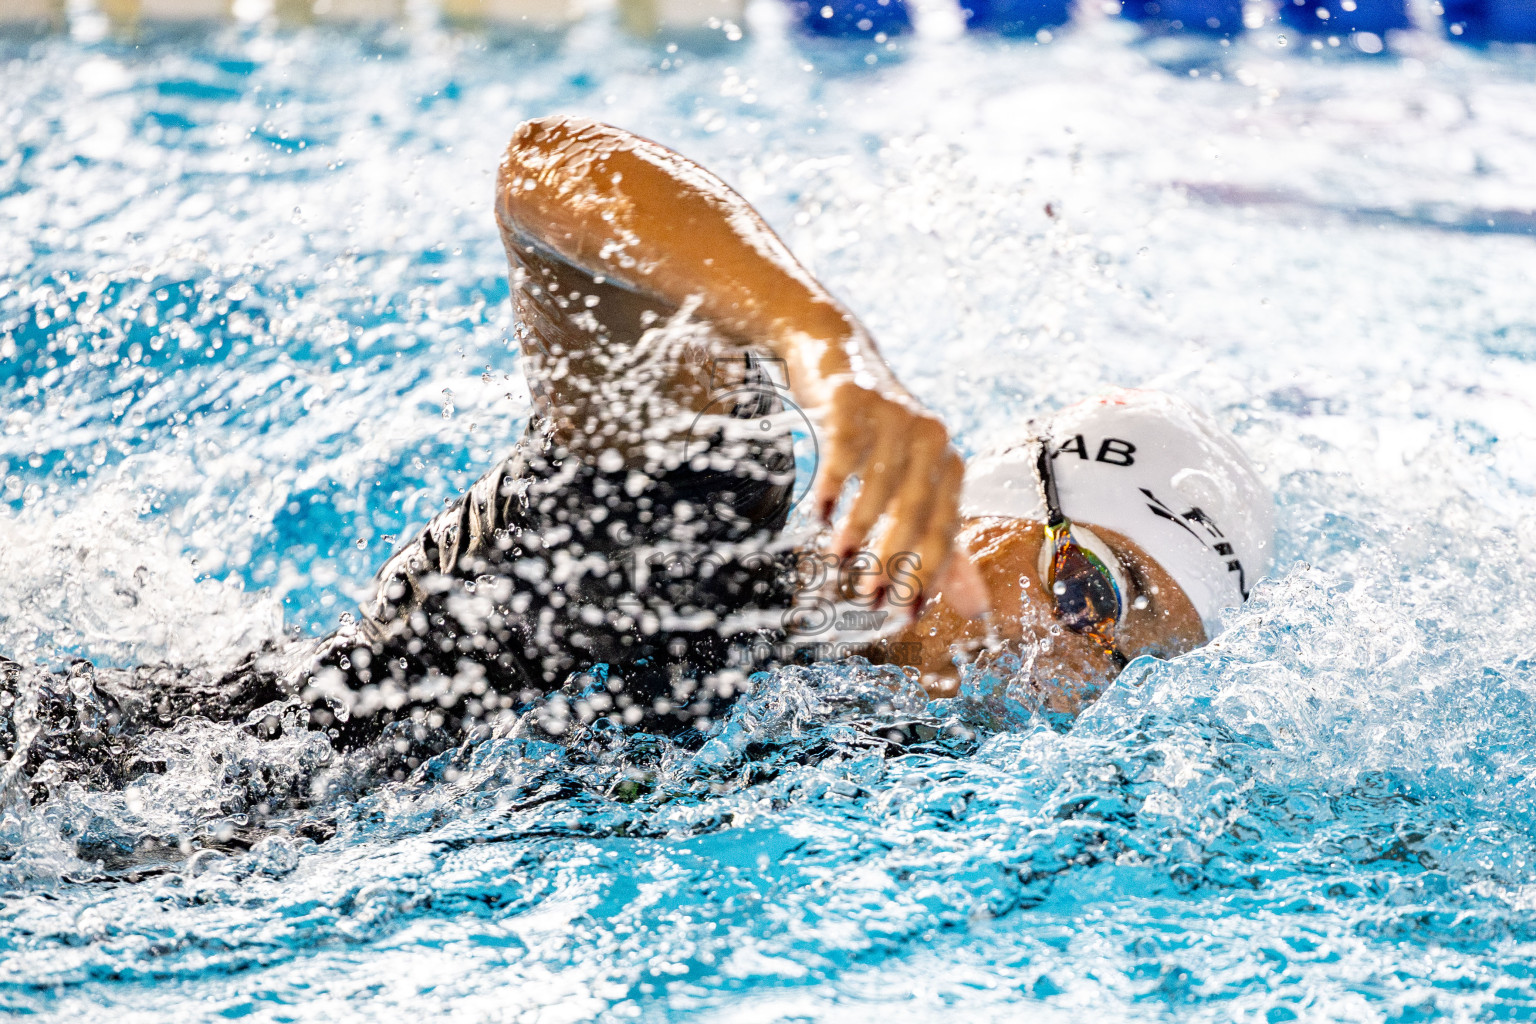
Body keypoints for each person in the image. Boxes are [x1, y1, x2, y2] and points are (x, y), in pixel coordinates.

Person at [0, 116, 1274, 786]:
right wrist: (827, 354)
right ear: (994, 497)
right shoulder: (690, 513)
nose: (1065, 657)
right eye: (1086, 586)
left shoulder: (871, 751)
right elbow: (548, 171)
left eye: (1122, 662)